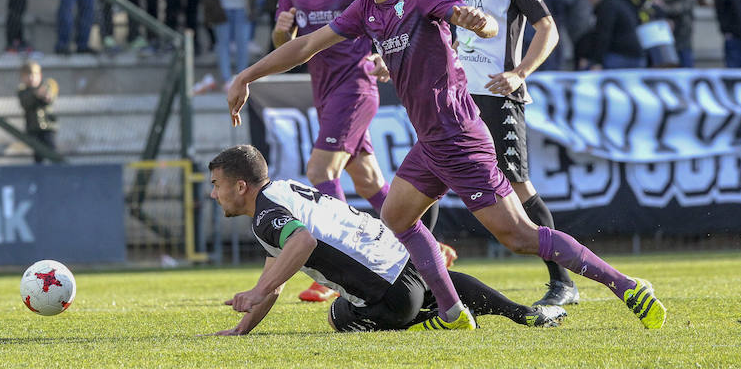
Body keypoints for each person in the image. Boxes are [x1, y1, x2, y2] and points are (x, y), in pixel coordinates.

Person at [227, 0, 667, 331]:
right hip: (430, 143)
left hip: (459, 137)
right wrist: (246, 76)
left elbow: (474, 19)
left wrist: (482, 21)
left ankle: (626, 285)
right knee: (396, 214)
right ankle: (453, 311)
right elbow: (305, 45)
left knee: (518, 236)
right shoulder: (365, 9)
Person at [272, 0, 453, 302]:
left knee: (320, 168)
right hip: (323, 89)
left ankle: (342, 263)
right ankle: (426, 249)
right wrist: (282, 31)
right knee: (368, 180)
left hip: (355, 85)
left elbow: (383, 17)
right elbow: (286, 45)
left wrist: (381, 52)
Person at [207, 144, 567, 334]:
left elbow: (301, 244)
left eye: (216, 185)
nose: (213, 194)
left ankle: (432, 322)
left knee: (337, 316)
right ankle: (523, 314)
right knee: (440, 283)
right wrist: (243, 328)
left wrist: (254, 294)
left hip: (391, 297)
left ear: (241, 186)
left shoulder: (267, 216)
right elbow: (275, 278)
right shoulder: (285, 190)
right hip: (406, 257)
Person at [450, 0, 576, 307]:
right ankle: (425, 280)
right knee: (429, 180)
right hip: (463, 101)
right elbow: (455, 43)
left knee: (519, 186)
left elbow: (548, 28)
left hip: (499, 98)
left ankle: (563, 282)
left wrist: (519, 72)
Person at [580, 0, 645, 70]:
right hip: (632, 56)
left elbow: (604, 35)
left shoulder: (608, 7)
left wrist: (597, 62)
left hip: (624, 57)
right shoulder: (617, 2)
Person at [18, 60, 58, 163]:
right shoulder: (23, 91)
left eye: (34, 74)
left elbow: (49, 100)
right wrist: (36, 94)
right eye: (28, 75)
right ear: (22, 78)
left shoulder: (45, 87)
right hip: (33, 128)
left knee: (52, 149)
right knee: (38, 153)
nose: (31, 78)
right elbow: (26, 103)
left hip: (48, 127)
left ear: (40, 75)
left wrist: (46, 96)